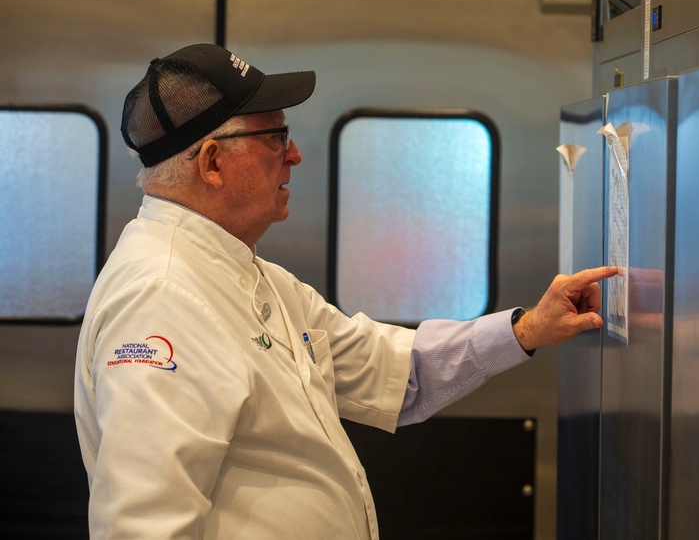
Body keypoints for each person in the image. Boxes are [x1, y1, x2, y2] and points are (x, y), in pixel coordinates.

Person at [73, 43, 618, 539]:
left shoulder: (254, 278)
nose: (294, 156)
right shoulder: (163, 296)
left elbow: (395, 372)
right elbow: (142, 525)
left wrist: (527, 330)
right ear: (213, 162)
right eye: (274, 138)